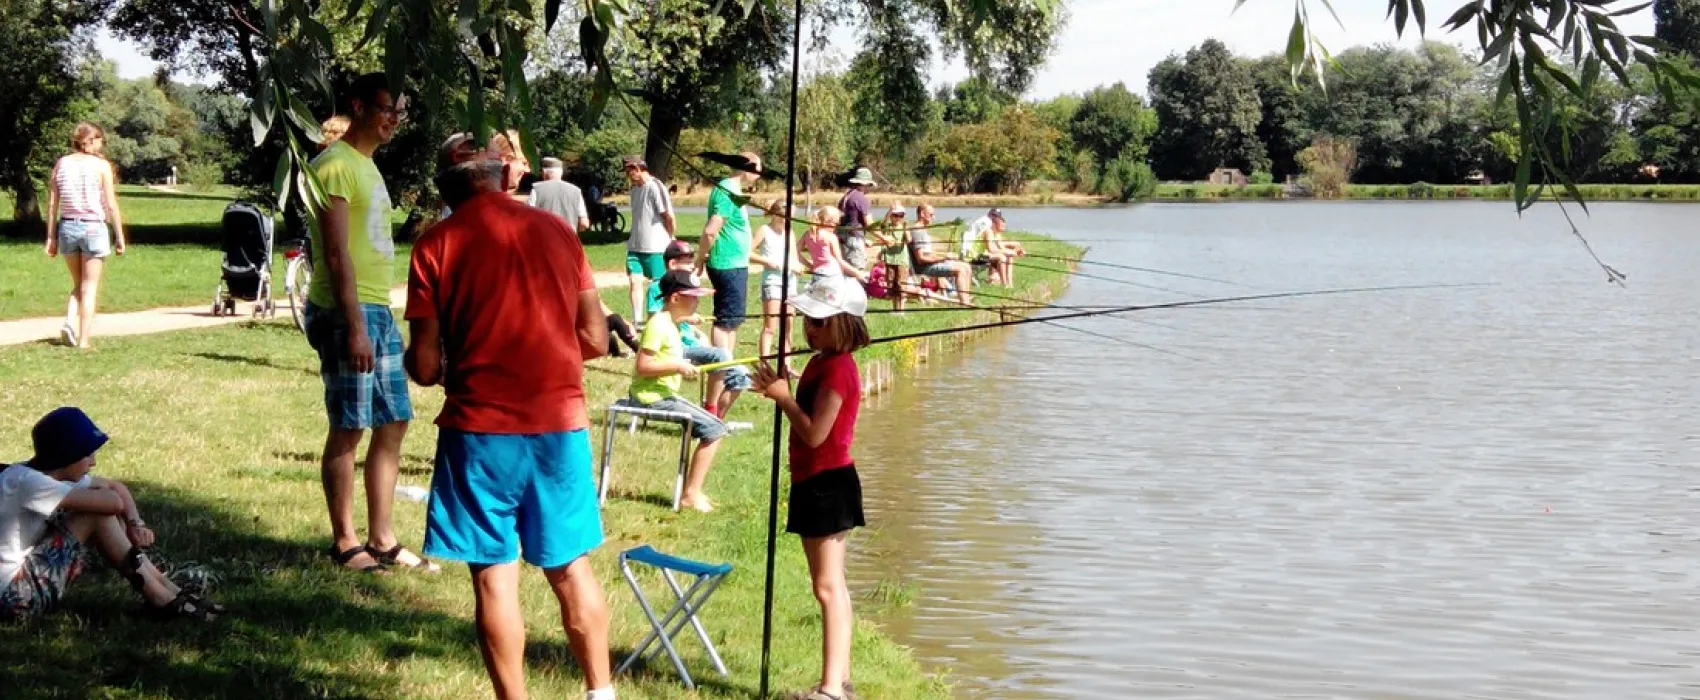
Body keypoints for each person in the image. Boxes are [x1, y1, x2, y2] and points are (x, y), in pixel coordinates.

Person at [406, 133, 615, 700]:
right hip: (558, 424)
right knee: (571, 565)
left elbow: (424, 367)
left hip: (479, 433)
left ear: (446, 188)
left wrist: (438, 355)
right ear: (503, 176)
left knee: (494, 575)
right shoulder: (558, 232)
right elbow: (594, 338)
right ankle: (601, 691)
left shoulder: (434, 245)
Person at [304, 73, 432, 575]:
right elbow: (335, 254)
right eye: (386, 108)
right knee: (350, 426)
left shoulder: (367, 166)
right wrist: (355, 325)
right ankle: (345, 541)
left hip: (376, 309)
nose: (393, 119)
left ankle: (382, 537)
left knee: (393, 419)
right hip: (346, 311)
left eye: (400, 111)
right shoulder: (335, 165)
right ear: (357, 106)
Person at [749, 276, 871, 700]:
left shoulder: (838, 369)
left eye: (818, 321)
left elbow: (818, 434)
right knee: (829, 584)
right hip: (813, 482)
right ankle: (840, 680)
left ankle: (832, 689)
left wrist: (783, 399)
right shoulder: (822, 361)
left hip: (828, 484)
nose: (809, 328)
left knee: (827, 587)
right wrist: (781, 385)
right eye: (805, 318)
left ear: (843, 323)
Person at [2, 408, 223, 622]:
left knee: (101, 512)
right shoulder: (30, 484)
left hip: (20, 585)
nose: (93, 461)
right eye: (87, 454)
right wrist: (118, 511)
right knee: (96, 515)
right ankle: (162, 599)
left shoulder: (43, 475)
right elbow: (114, 502)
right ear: (66, 455)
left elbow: (116, 487)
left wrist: (135, 523)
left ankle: (170, 592)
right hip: (13, 598)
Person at [630, 270, 731, 513]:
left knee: (714, 427)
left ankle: (693, 491)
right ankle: (690, 494)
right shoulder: (658, 326)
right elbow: (643, 366)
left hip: (661, 394)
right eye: (693, 296)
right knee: (715, 429)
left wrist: (688, 322)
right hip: (650, 398)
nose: (698, 301)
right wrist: (677, 366)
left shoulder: (670, 323)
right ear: (675, 299)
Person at [45, 121, 125, 350]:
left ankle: (69, 321)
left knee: (79, 283)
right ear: (90, 140)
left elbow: (52, 205)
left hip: (67, 227)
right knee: (89, 287)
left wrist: (50, 238)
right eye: (100, 139)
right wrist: (119, 236)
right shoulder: (101, 166)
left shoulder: (61, 164)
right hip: (93, 227)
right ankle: (84, 340)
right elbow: (111, 204)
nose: (102, 144)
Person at [695, 152, 763, 359]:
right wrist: (701, 257)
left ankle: (728, 363)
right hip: (727, 264)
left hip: (735, 263)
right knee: (725, 320)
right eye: (757, 169)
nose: (759, 175)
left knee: (733, 319)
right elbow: (710, 230)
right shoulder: (726, 191)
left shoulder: (733, 190)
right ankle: (721, 365)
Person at [623, 156, 676, 325]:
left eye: (629, 171)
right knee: (634, 281)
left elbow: (667, 215)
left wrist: (671, 236)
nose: (628, 175)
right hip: (635, 245)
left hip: (656, 246)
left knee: (658, 284)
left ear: (638, 168)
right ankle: (637, 319)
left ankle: (658, 316)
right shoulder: (634, 190)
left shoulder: (655, 186)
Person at [749, 199, 802, 361]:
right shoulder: (764, 230)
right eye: (785, 216)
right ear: (776, 214)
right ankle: (764, 363)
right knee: (771, 326)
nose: (787, 220)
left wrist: (797, 266)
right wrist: (768, 262)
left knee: (788, 326)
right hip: (772, 281)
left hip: (790, 282)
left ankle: (787, 363)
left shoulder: (790, 233)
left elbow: (794, 257)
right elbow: (748, 253)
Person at [907, 203, 974, 306]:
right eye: (931, 214)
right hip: (925, 268)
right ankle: (964, 302)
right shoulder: (918, 231)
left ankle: (966, 297)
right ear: (922, 214)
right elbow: (921, 258)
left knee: (966, 266)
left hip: (930, 264)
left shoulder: (922, 230)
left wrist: (945, 256)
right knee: (960, 270)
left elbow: (927, 253)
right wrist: (943, 258)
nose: (933, 217)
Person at [866, 202, 912, 311]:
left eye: (901, 215)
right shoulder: (888, 227)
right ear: (891, 216)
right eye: (895, 215)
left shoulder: (904, 226)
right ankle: (895, 308)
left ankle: (901, 309)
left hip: (901, 260)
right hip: (890, 259)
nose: (898, 218)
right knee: (891, 283)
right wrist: (889, 211)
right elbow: (882, 225)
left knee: (901, 283)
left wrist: (905, 229)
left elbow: (909, 240)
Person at [960, 208, 1025, 286]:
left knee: (1009, 257)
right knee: (1001, 257)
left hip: (983, 256)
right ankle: (1004, 285)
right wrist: (1012, 252)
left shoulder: (997, 233)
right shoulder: (988, 231)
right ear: (994, 224)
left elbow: (1001, 248)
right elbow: (992, 250)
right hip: (974, 257)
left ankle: (1009, 284)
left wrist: (1015, 252)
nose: (1004, 227)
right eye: (1001, 225)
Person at [528, 157, 590, 232]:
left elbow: (528, 217)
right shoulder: (576, 191)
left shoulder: (537, 189)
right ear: (561, 173)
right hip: (568, 239)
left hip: (544, 238)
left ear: (544, 173)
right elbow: (584, 223)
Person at [801, 206, 862, 282]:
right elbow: (840, 261)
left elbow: (794, 252)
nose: (836, 226)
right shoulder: (831, 237)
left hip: (817, 274)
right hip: (832, 274)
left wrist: (809, 265)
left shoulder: (807, 235)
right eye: (836, 223)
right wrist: (857, 273)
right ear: (827, 221)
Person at [835, 167, 875, 271]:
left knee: (846, 271)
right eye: (869, 185)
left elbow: (846, 220)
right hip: (854, 241)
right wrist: (885, 238)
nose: (869, 188)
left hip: (843, 239)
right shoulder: (861, 198)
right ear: (864, 184)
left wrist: (864, 239)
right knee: (857, 272)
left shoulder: (846, 196)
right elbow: (870, 224)